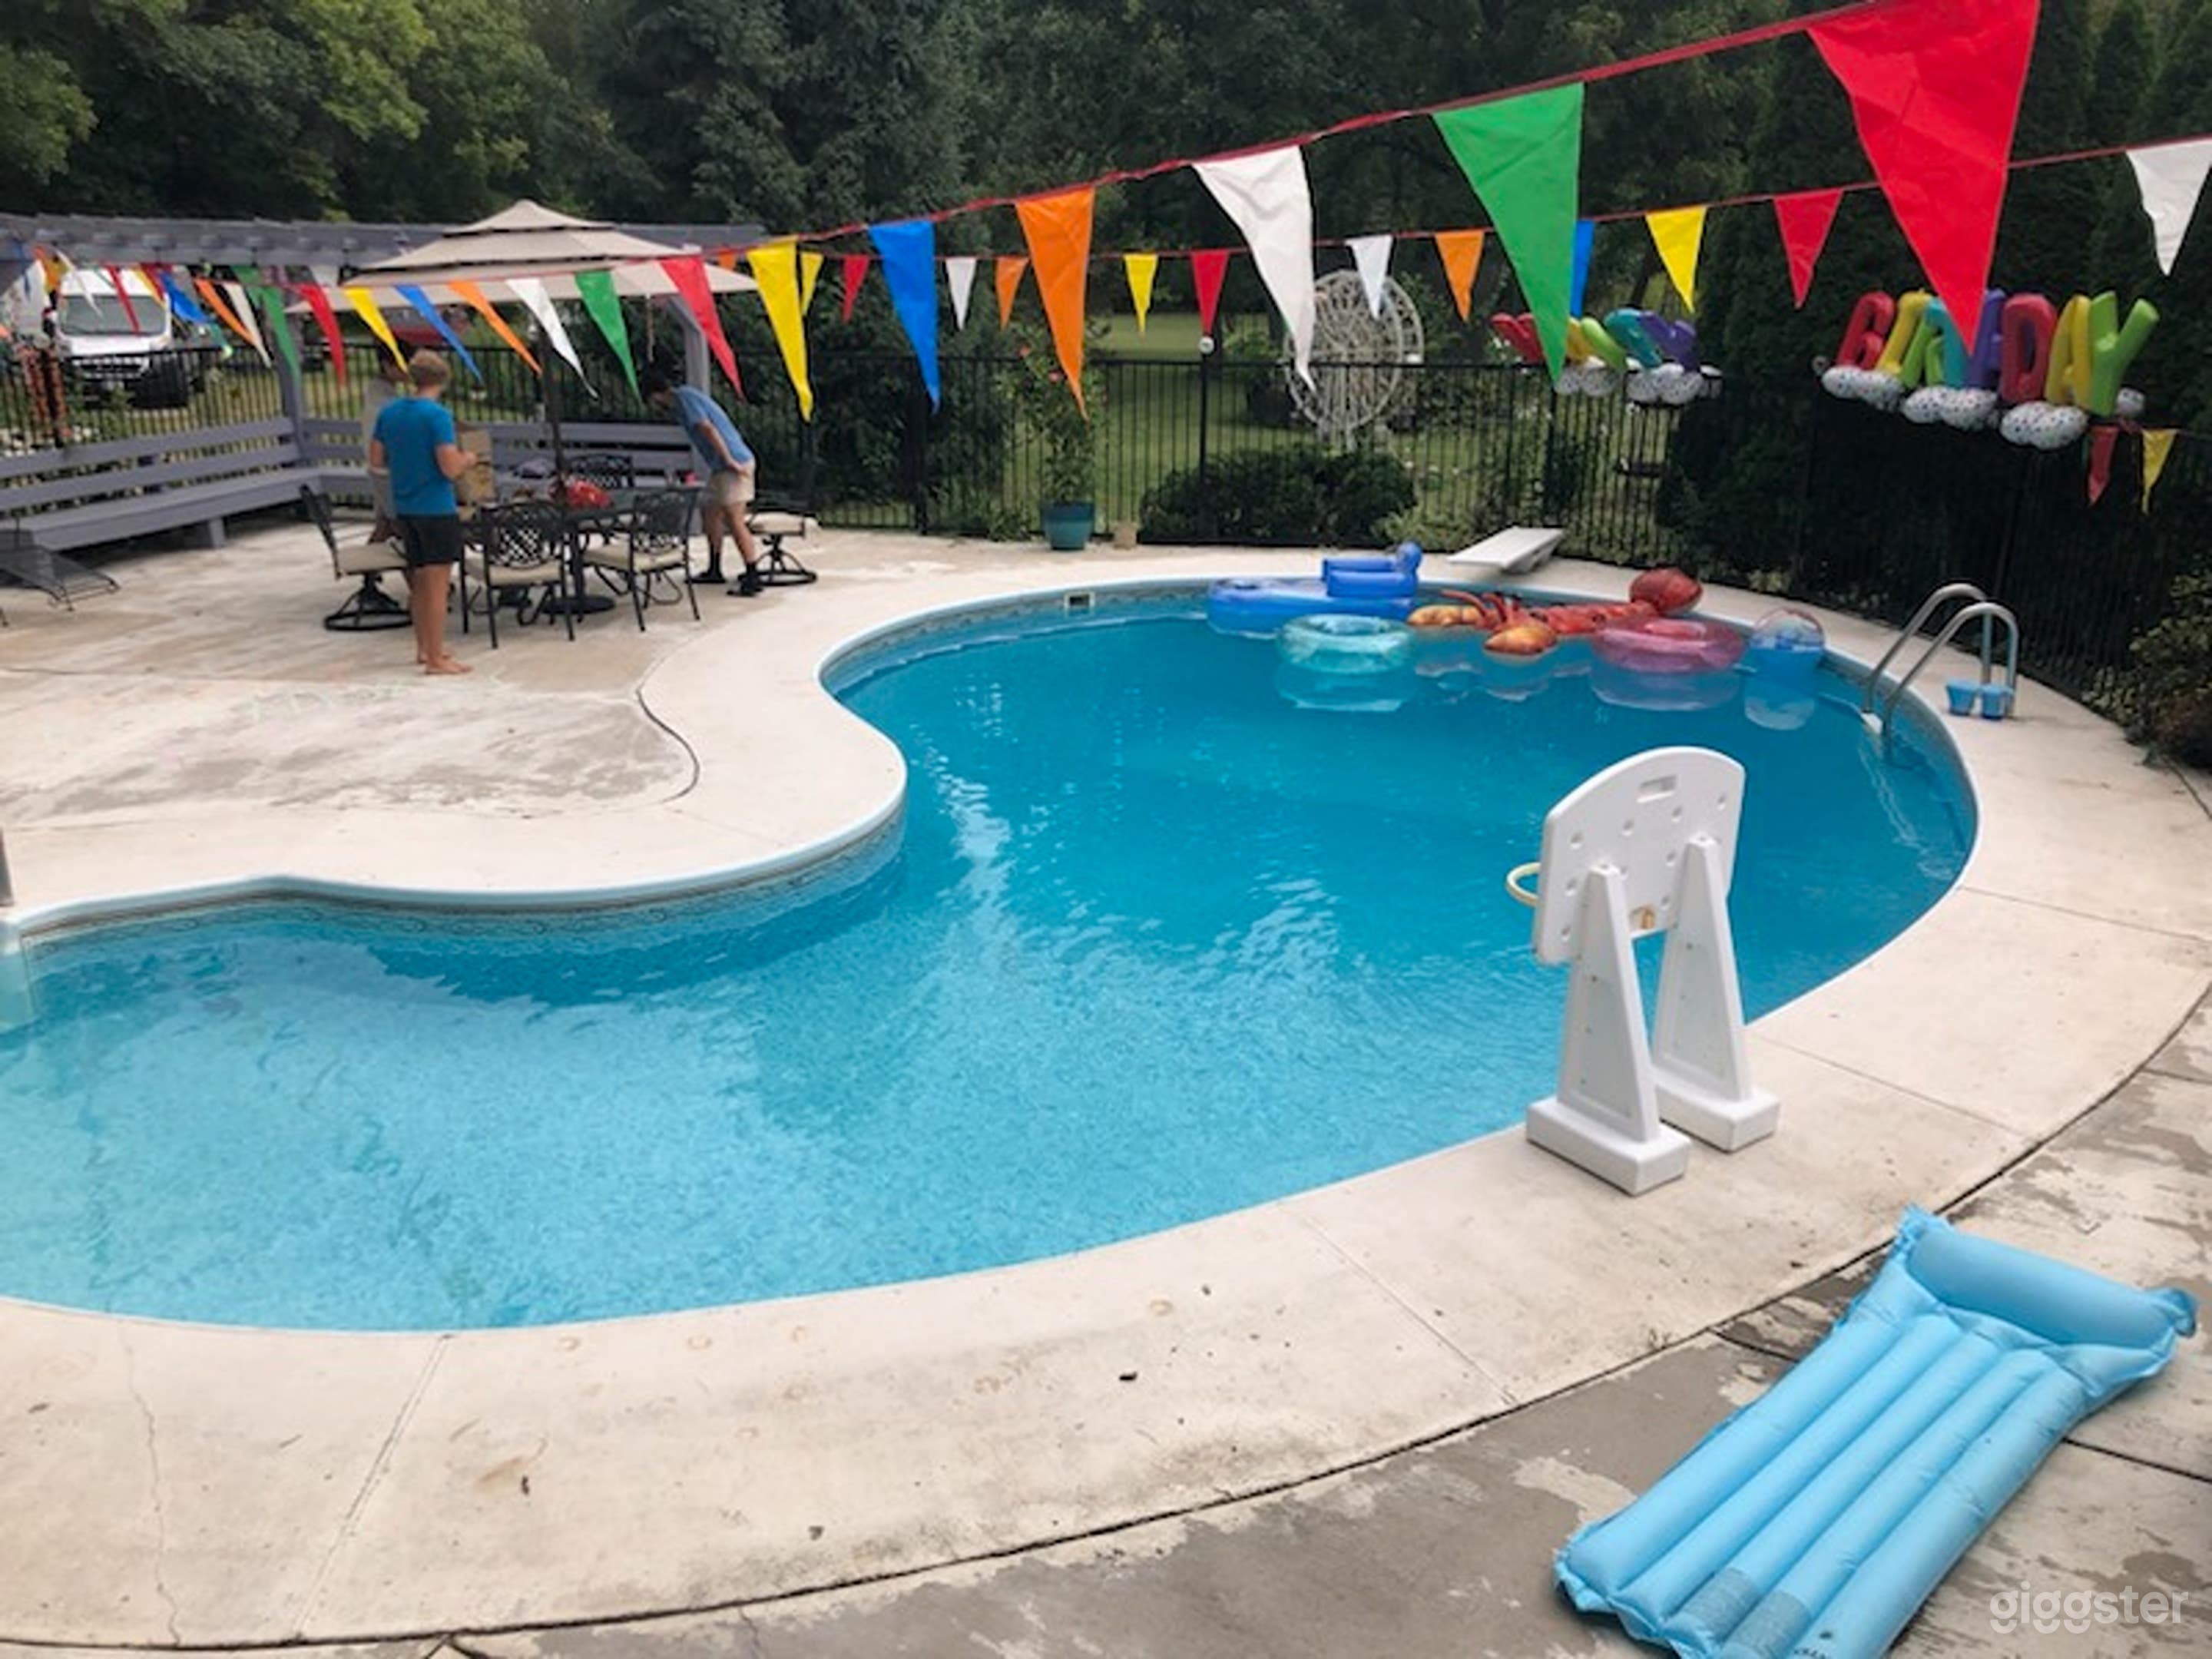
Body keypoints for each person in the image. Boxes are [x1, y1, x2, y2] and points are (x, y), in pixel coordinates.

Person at [369, 350, 473, 675]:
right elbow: (449, 467)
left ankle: (423, 648)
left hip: (405, 506)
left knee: (418, 582)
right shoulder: (437, 416)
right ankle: (437, 658)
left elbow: (376, 460)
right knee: (437, 585)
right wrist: (467, 459)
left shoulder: (390, 413)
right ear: (443, 379)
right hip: (436, 507)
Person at [643, 369, 763, 595]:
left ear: (656, 395)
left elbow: (707, 428)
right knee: (710, 513)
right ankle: (715, 569)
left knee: (734, 520)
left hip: (733, 465)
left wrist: (729, 461)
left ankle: (753, 576)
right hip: (720, 468)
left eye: (651, 401)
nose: (654, 407)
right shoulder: (683, 400)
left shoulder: (684, 399)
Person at [361, 355, 408, 546]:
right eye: (402, 365)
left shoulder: (384, 395)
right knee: (397, 525)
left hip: (382, 468)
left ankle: (368, 569)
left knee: (386, 523)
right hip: (388, 469)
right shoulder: (383, 401)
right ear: (386, 365)